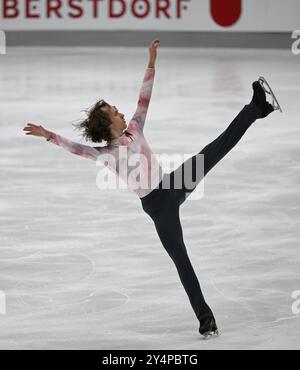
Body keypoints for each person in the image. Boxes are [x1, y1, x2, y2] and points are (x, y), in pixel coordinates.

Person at [23, 38, 281, 338]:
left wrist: (151, 62)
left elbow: (144, 97)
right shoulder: (106, 154)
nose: (121, 112)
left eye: (118, 109)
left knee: (214, 149)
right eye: (114, 112)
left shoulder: (135, 127)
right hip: (159, 207)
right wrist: (49, 135)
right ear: (108, 126)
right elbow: (78, 149)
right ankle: (205, 318)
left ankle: (256, 108)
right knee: (181, 260)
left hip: (173, 183)